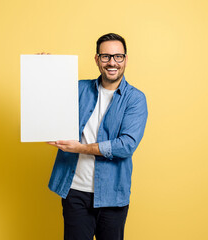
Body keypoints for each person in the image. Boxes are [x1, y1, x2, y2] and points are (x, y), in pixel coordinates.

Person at [47, 33, 148, 240]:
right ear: (97, 59)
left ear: (125, 60)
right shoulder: (78, 89)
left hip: (113, 196)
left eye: (118, 56)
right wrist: (43, 68)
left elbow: (126, 146)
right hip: (75, 192)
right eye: (106, 56)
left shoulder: (135, 99)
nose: (112, 62)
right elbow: (47, 100)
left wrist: (80, 148)